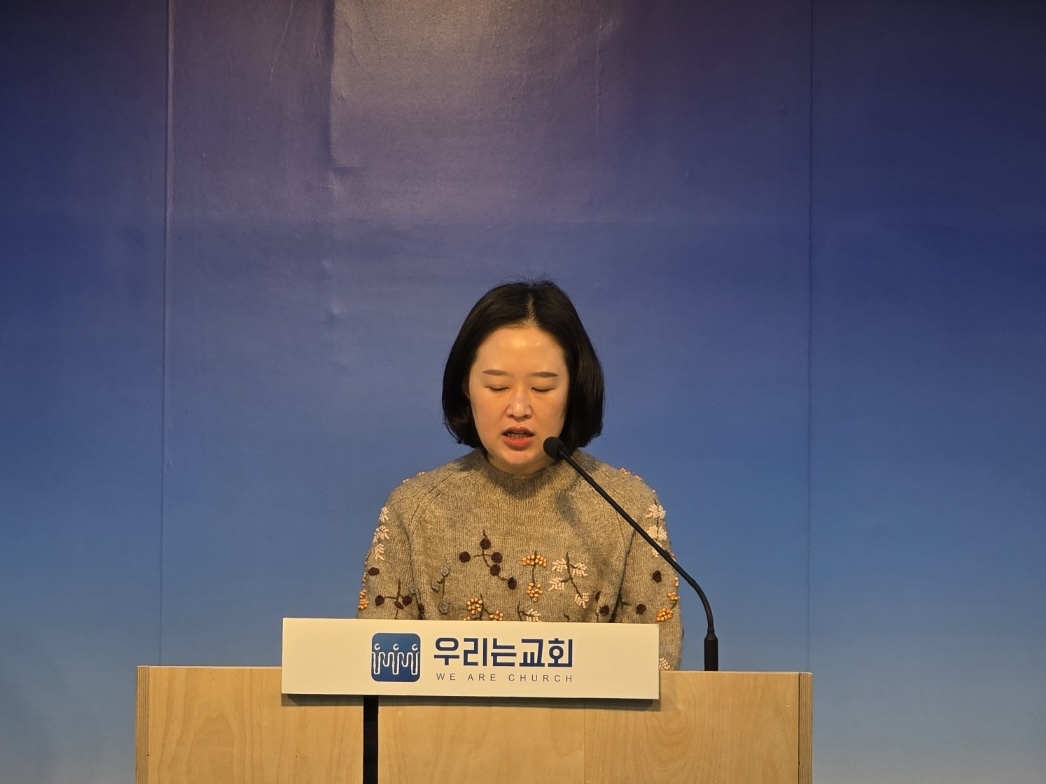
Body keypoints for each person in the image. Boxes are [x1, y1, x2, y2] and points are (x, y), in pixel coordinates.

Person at [356, 280, 683, 669]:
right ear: (466, 387)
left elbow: (655, 670)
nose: (519, 408)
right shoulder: (413, 509)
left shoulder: (630, 508)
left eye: (542, 388)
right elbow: (378, 672)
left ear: (574, 388)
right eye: (497, 386)